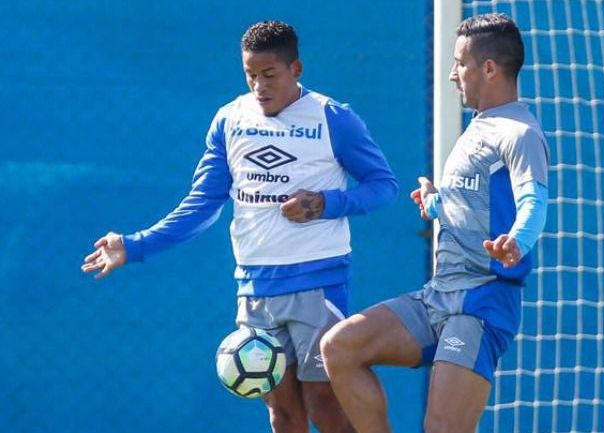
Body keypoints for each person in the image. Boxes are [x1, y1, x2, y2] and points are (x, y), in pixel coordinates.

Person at [81, 20, 398, 433]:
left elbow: (384, 186)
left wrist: (325, 203)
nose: (259, 86)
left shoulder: (333, 118)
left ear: (296, 69)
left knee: (325, 404)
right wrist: (135, 244)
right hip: (254, 287)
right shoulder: (230, 120)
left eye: (270, 75)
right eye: (251, 75)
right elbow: (203, 202)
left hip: (318, 281)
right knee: (281, 413)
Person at [320, 13, 549, 433]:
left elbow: (534, 201)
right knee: (340, 347)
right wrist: (436, 204)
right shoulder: (480, 129)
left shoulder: (519, 132)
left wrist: (518, 240)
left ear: (490, 68)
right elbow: (476, 208)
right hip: (437, 296)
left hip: (480, 304)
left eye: (460, 63)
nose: (451, 75)